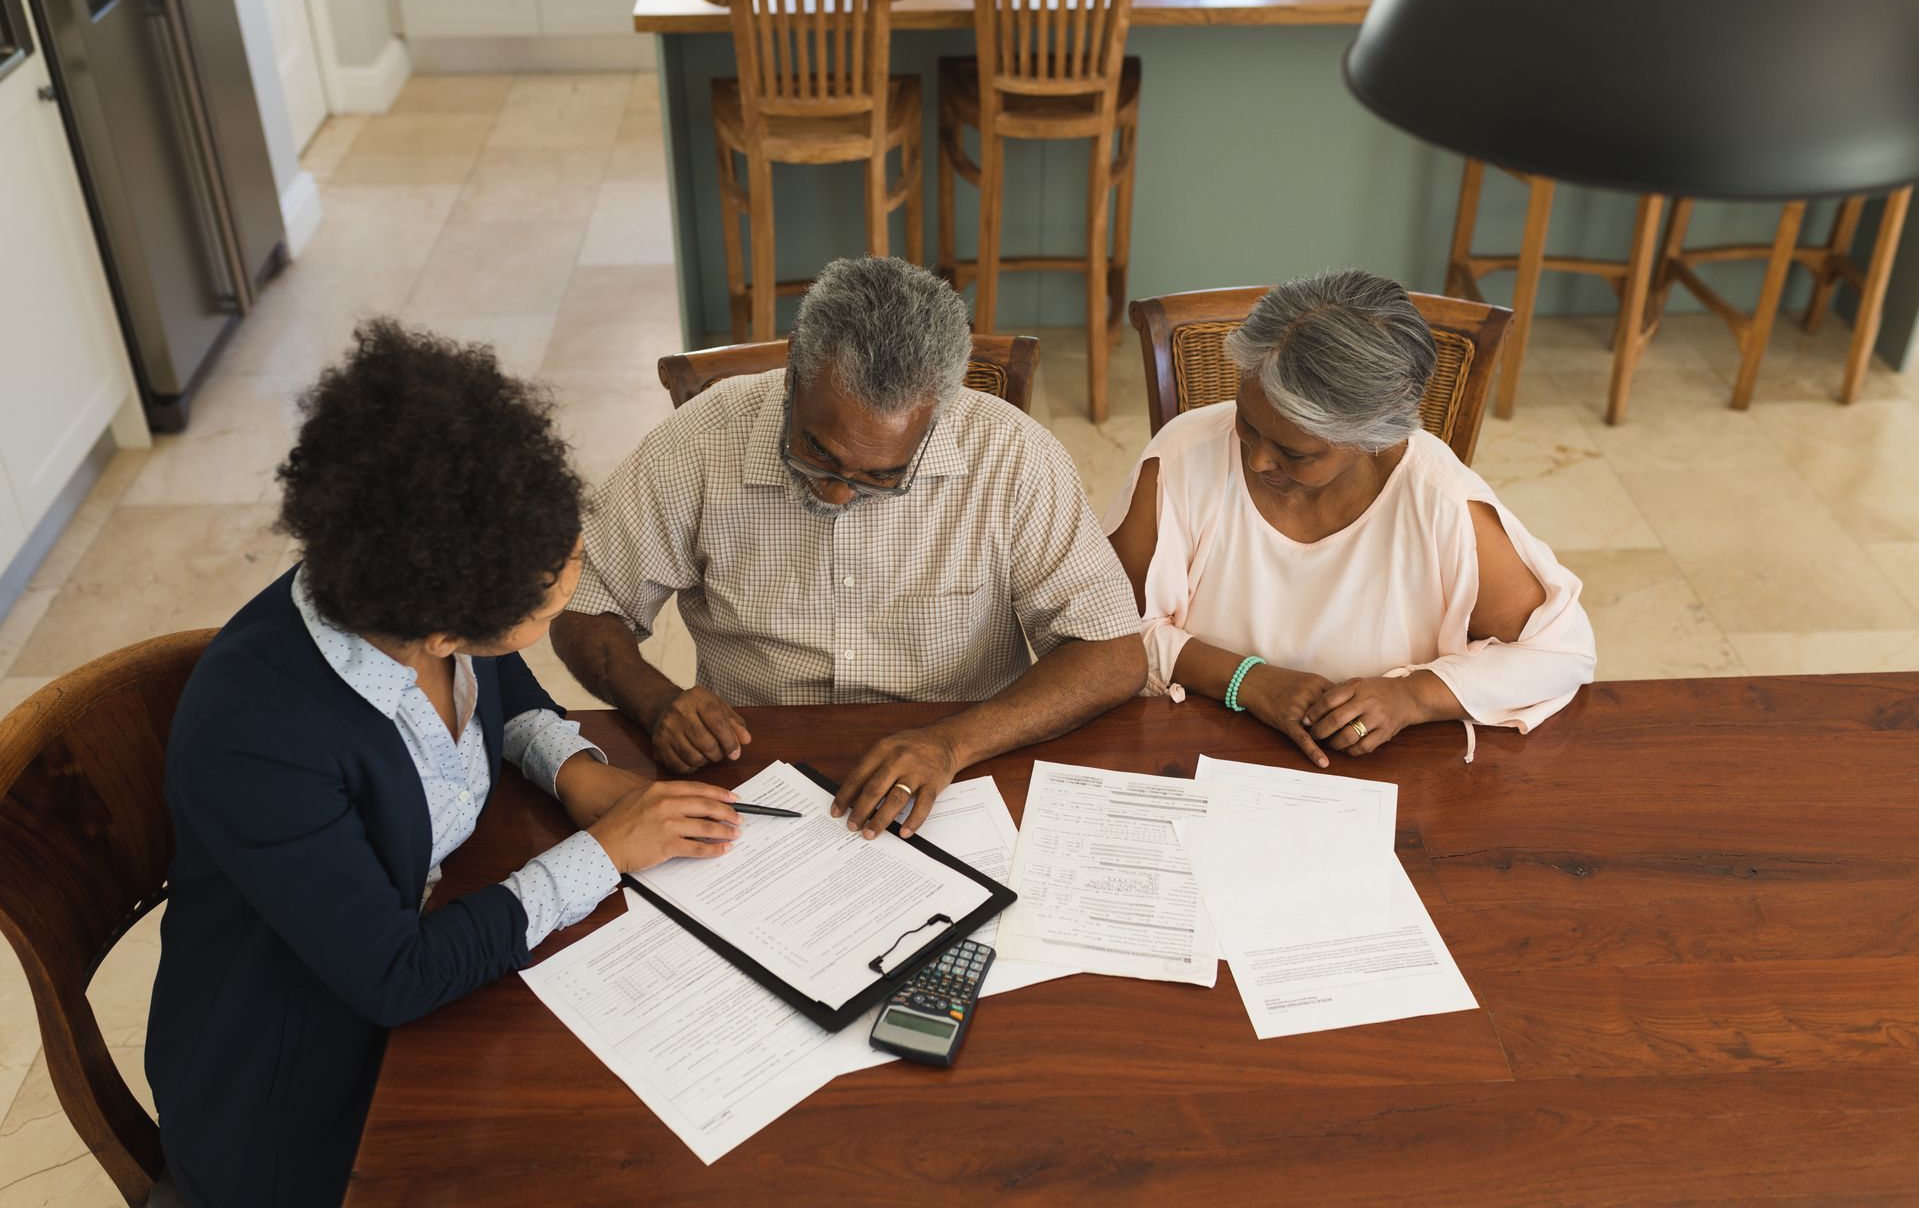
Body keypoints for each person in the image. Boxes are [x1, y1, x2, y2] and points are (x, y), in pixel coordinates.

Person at [146, 322, 742, 1207]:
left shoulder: (417, 589)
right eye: (547, 612)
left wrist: (572, 767)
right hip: (301, 1090)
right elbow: (397, 976)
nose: (563, 609)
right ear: (439, 633)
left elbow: (498, 689)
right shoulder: (256, 737)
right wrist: (606, 853)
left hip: (432, 968)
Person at [551, 256, 1145, 836]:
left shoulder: (1013, 456)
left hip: (961, 768)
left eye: (883, 476)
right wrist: (655, 700)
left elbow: (1111, 655)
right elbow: (585, 602)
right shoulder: (704, 440)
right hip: (752, 771)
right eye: (817, 454)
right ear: (792, 377)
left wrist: (952, 742)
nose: (836, 495)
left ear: (937, 413)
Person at [1106, 269, 1595, 764]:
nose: (1256, 460)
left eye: (1295, 454)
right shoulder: (1183, 458)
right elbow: (1105, 635)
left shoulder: (1439, 503)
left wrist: (1413, 697)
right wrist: (1246, 679)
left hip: (1378, 773)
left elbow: (1560, 653)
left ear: (1373, 439)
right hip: (1197, 748)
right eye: (1247, 424)